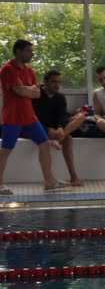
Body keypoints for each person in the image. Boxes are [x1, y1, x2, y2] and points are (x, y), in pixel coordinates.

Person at [0, 40, 67, 193]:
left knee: (44, 144)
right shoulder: (7, 70)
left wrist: (26, 89)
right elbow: (19, 91)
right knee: (6, 150)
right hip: (13, 117)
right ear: (19, 51)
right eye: (29, 51)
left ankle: (49, 181)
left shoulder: (29, 70)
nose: (32, 54)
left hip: (29, 117)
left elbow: (37, 93)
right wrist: (27, 89)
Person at [33, 70, 85, 186]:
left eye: (59, 82)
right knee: (68, 139)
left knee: (81, 117)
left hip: (57, 129)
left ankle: (59, 139)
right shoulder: (36, 95)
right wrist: (48, 130)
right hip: (41, 128)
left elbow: (62, 115)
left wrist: (60, 128)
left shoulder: (60, 97)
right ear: (45, 82)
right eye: (53, 82)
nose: (57, 85)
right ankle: (74, 177)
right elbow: (34, 118)